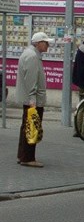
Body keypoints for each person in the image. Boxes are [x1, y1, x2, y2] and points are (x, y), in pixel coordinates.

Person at [15, 32, 54, 168]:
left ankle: (22, 155)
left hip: (31, 99)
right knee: (32, 128)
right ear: (38, 43)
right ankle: (28, 157)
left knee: (27, 126)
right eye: (46, 42)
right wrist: (32, 99)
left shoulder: (31, 54)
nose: (48, 45)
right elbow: (31, 80)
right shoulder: (32, 57)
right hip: (33, 100)